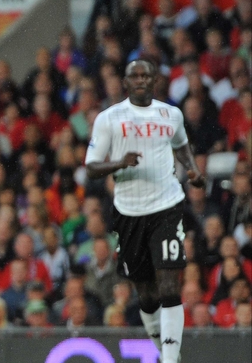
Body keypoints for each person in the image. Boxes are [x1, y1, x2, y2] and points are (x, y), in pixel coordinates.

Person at [85, 59, 206, 363]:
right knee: (147, 296)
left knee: (168, 286)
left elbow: (181, 145)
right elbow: (91, 167)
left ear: (155, 81)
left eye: (145, 75)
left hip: (166, 206)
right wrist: (119, 163)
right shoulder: (109, 118)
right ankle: (169, 353)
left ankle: (168, 359)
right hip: (128, 212)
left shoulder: (171, 114)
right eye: (134, 76)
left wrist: (191, 169)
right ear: (124, 83)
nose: (140, 80)